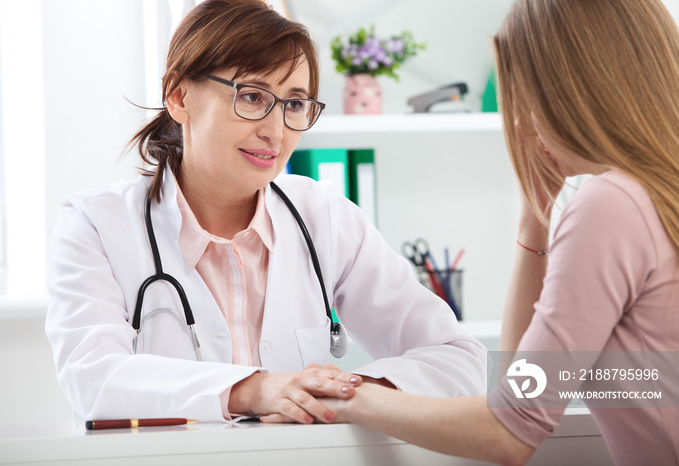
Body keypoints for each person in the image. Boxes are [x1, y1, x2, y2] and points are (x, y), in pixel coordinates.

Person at [44, 0, 487, 425]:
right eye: (252, 97)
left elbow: (459, 358)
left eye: (294, 104)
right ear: (179, 97)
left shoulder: (325, 218)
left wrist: (345, 392)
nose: (275, 131)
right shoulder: (95, 227)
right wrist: (253, 390)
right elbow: (94, 379)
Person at [318, 0, 679, 464]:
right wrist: (536, 216)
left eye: (524, 95)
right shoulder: (652, 195)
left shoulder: (613, 204)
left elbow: (511, 429)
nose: (520, 121)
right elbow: (526, 379)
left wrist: (354, 396)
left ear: (567, 91)